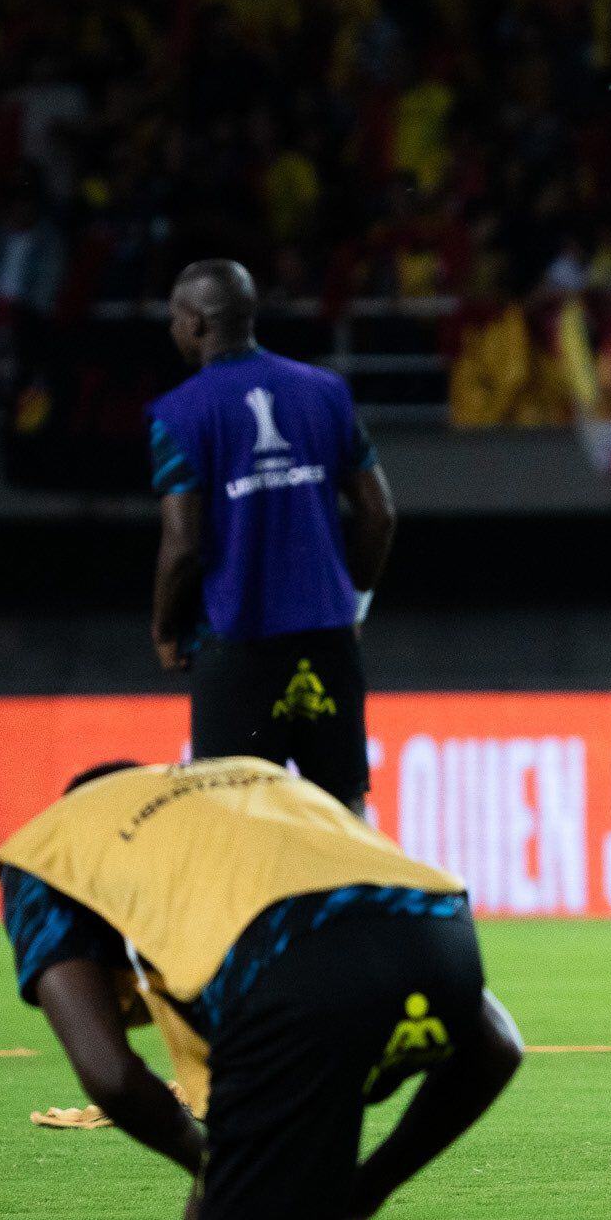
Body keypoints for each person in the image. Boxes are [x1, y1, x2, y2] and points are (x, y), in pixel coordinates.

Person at [0, 757, 523, 1220]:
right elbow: (498, 1046)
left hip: (285, 984)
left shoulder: (50, 847)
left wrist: (213, 1170)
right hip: (443, 937)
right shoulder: (250, 779)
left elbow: (111, 1076)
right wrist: (357, 1201)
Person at [149, 259, 396, 814]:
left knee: (234, 830)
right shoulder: (326, 393)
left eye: (173, 318)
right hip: (329, 645)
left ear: (195, 323)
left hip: (239, 649)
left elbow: (183, 547)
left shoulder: (180, 415)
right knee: (343, 820)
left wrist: (166, 627)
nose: (171, 331)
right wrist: (353, 603)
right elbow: (380, 515)